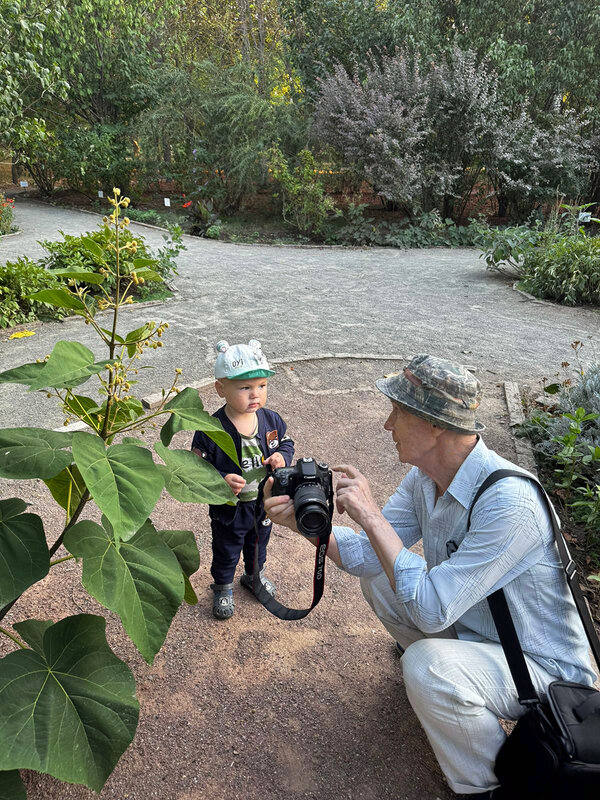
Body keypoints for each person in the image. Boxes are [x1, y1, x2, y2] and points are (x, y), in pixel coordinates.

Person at [264, 354, 596, 798]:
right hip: (476, 628)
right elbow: (365, 556)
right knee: (381, 575)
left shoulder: (510, 504)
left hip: (540, 667)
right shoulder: (425, 478)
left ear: (436, 425)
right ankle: (445, 691)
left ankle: (485, 786)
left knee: (427, 667)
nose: (387, 424)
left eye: (397, 412)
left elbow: (431, 609)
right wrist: (304, 525)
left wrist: (371, 516)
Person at [192, 339, 294, 620]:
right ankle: (223, 586)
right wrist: (221, 478)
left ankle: (254, 576)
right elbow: (196, 466)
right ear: (220, 389)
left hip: (263, 502)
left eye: (262, 386)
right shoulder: (211, 429)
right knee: (227, 547)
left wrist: (282, 456)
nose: (255, 395)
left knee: (258, 543)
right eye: (245, 388)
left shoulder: (271, 420)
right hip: (230, 508)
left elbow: (287, 442)